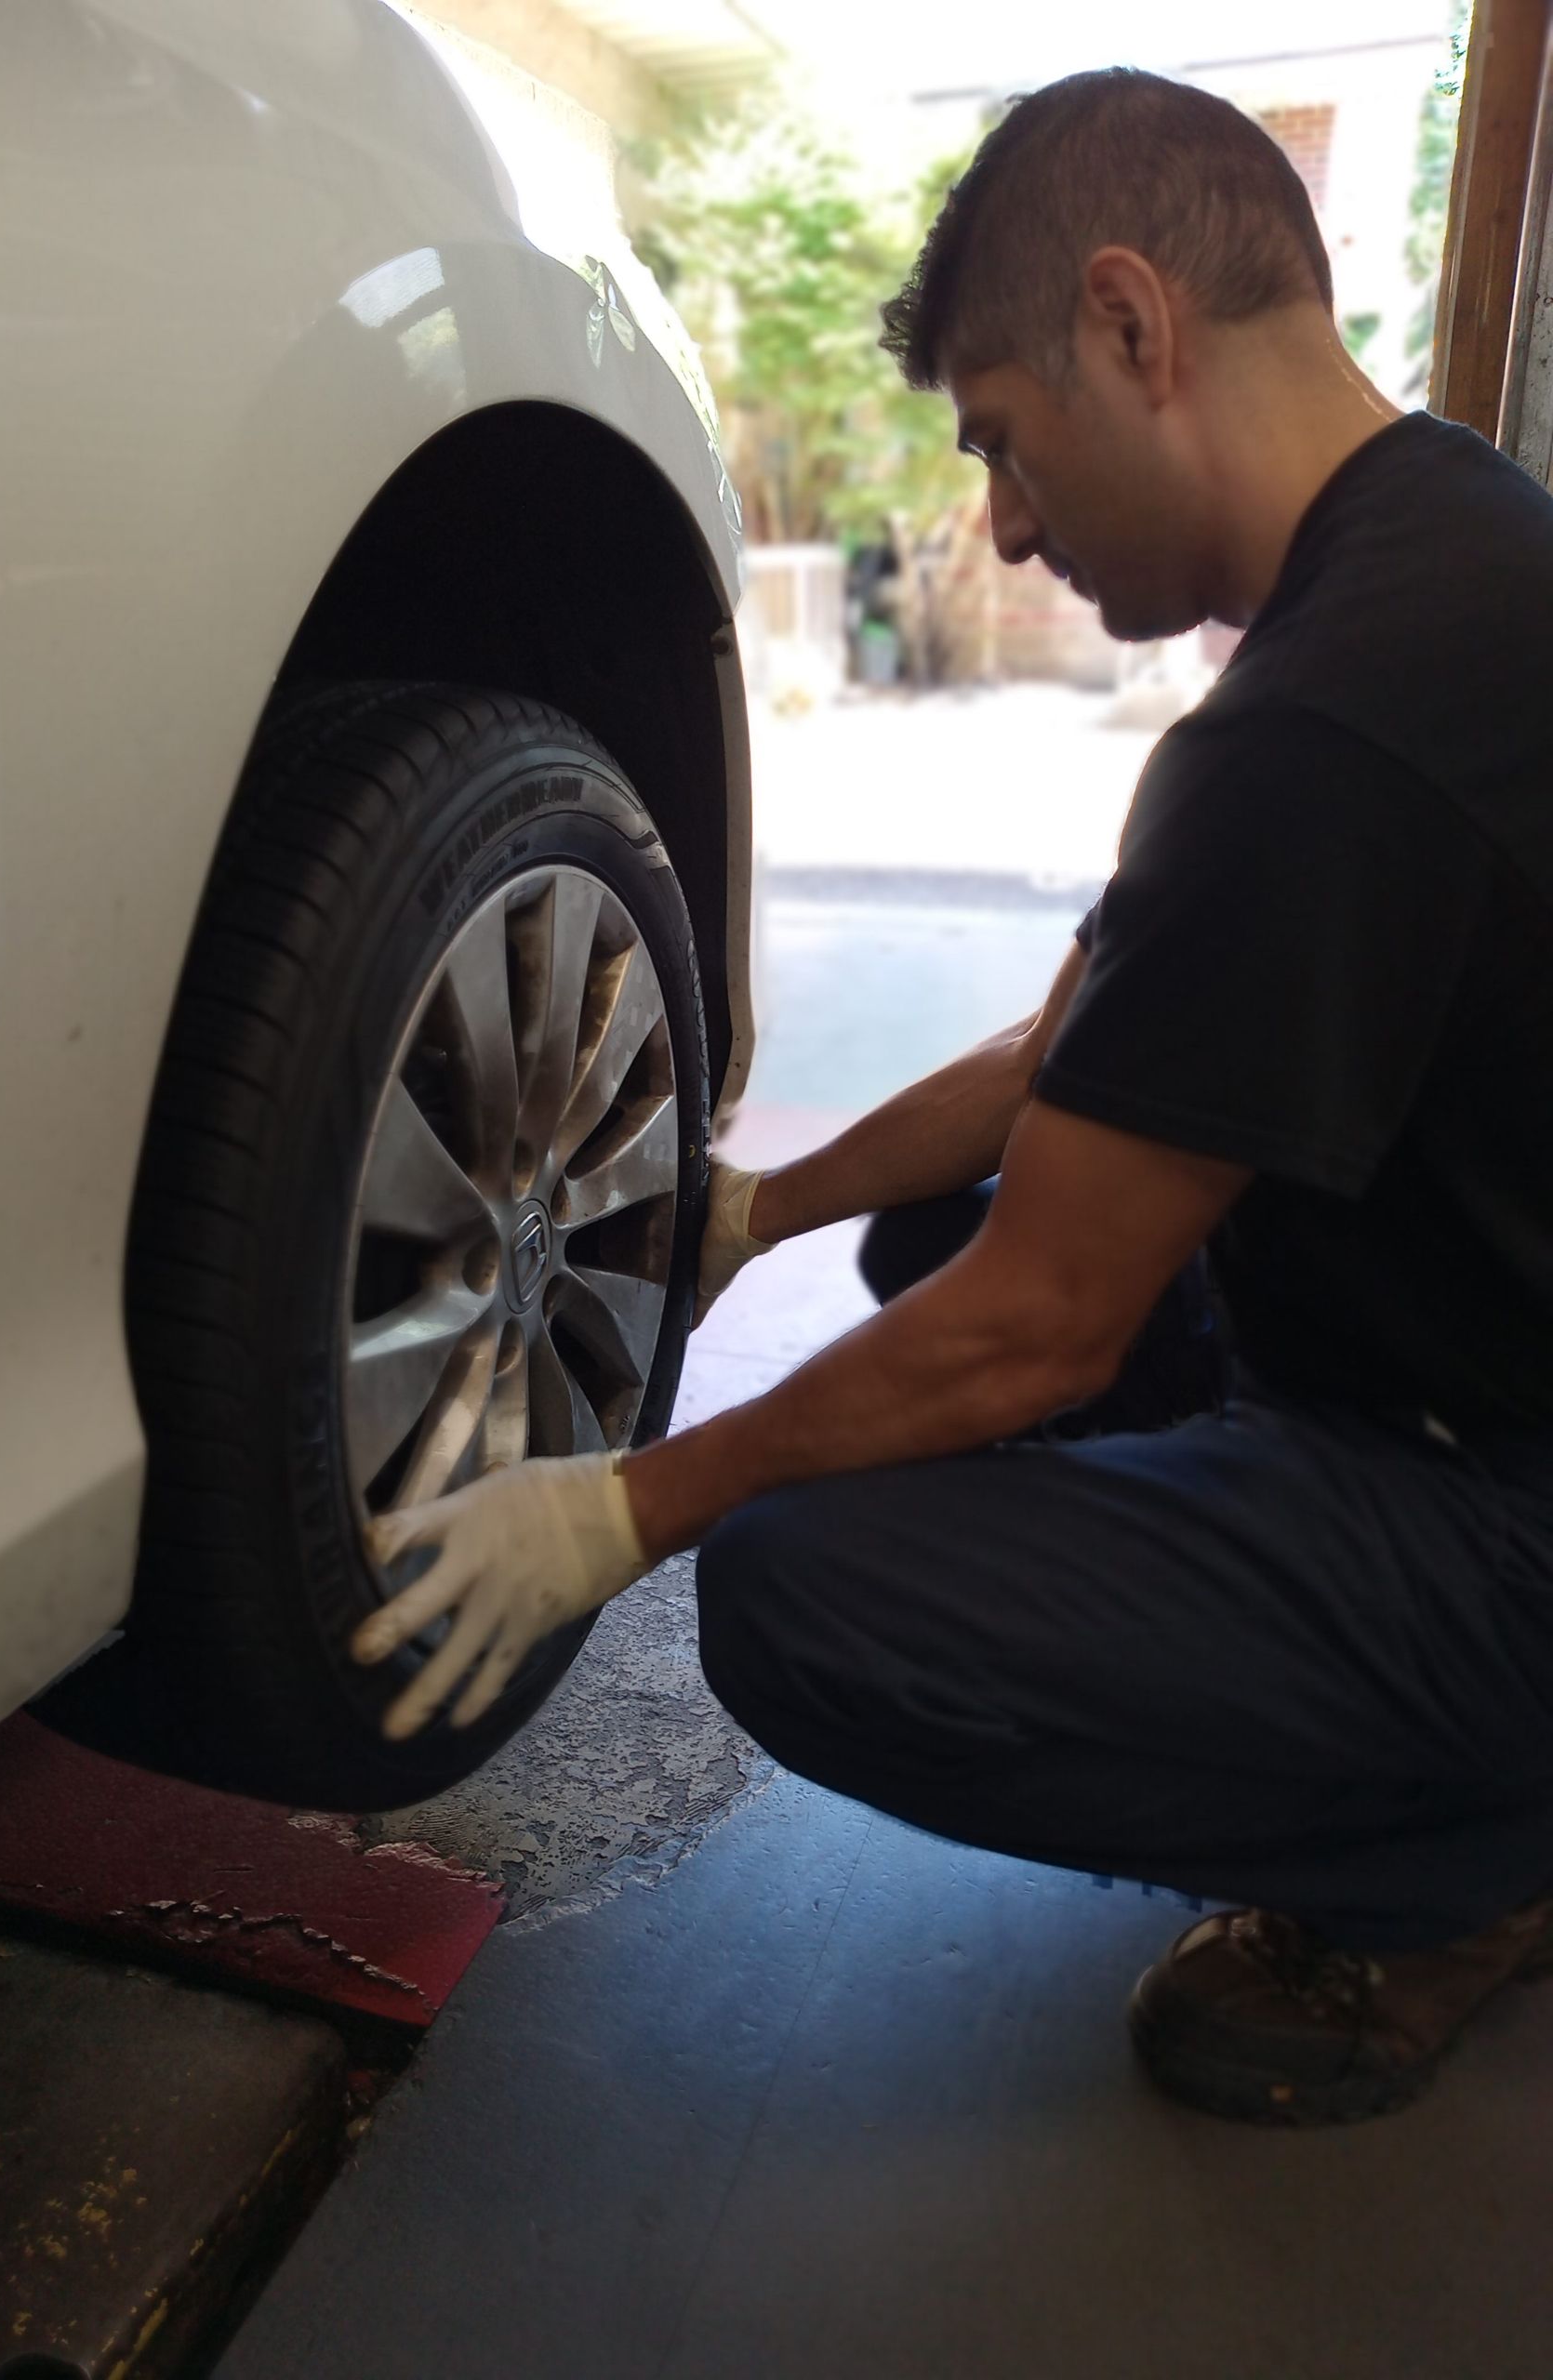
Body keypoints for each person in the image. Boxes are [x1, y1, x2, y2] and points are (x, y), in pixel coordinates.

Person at [352, 67, 1553, 2127]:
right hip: (1478, 1350)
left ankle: (1458, 1861)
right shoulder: (1442, 546)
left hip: (1509, 1506)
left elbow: (1041, 1323)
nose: (999, 520)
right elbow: (1058, 1064)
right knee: (928, 1239)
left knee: (810, 1601)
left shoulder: (1316, 733)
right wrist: (759, 1210)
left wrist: (632, 1504)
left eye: (1000, 434)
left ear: (1128, 325)